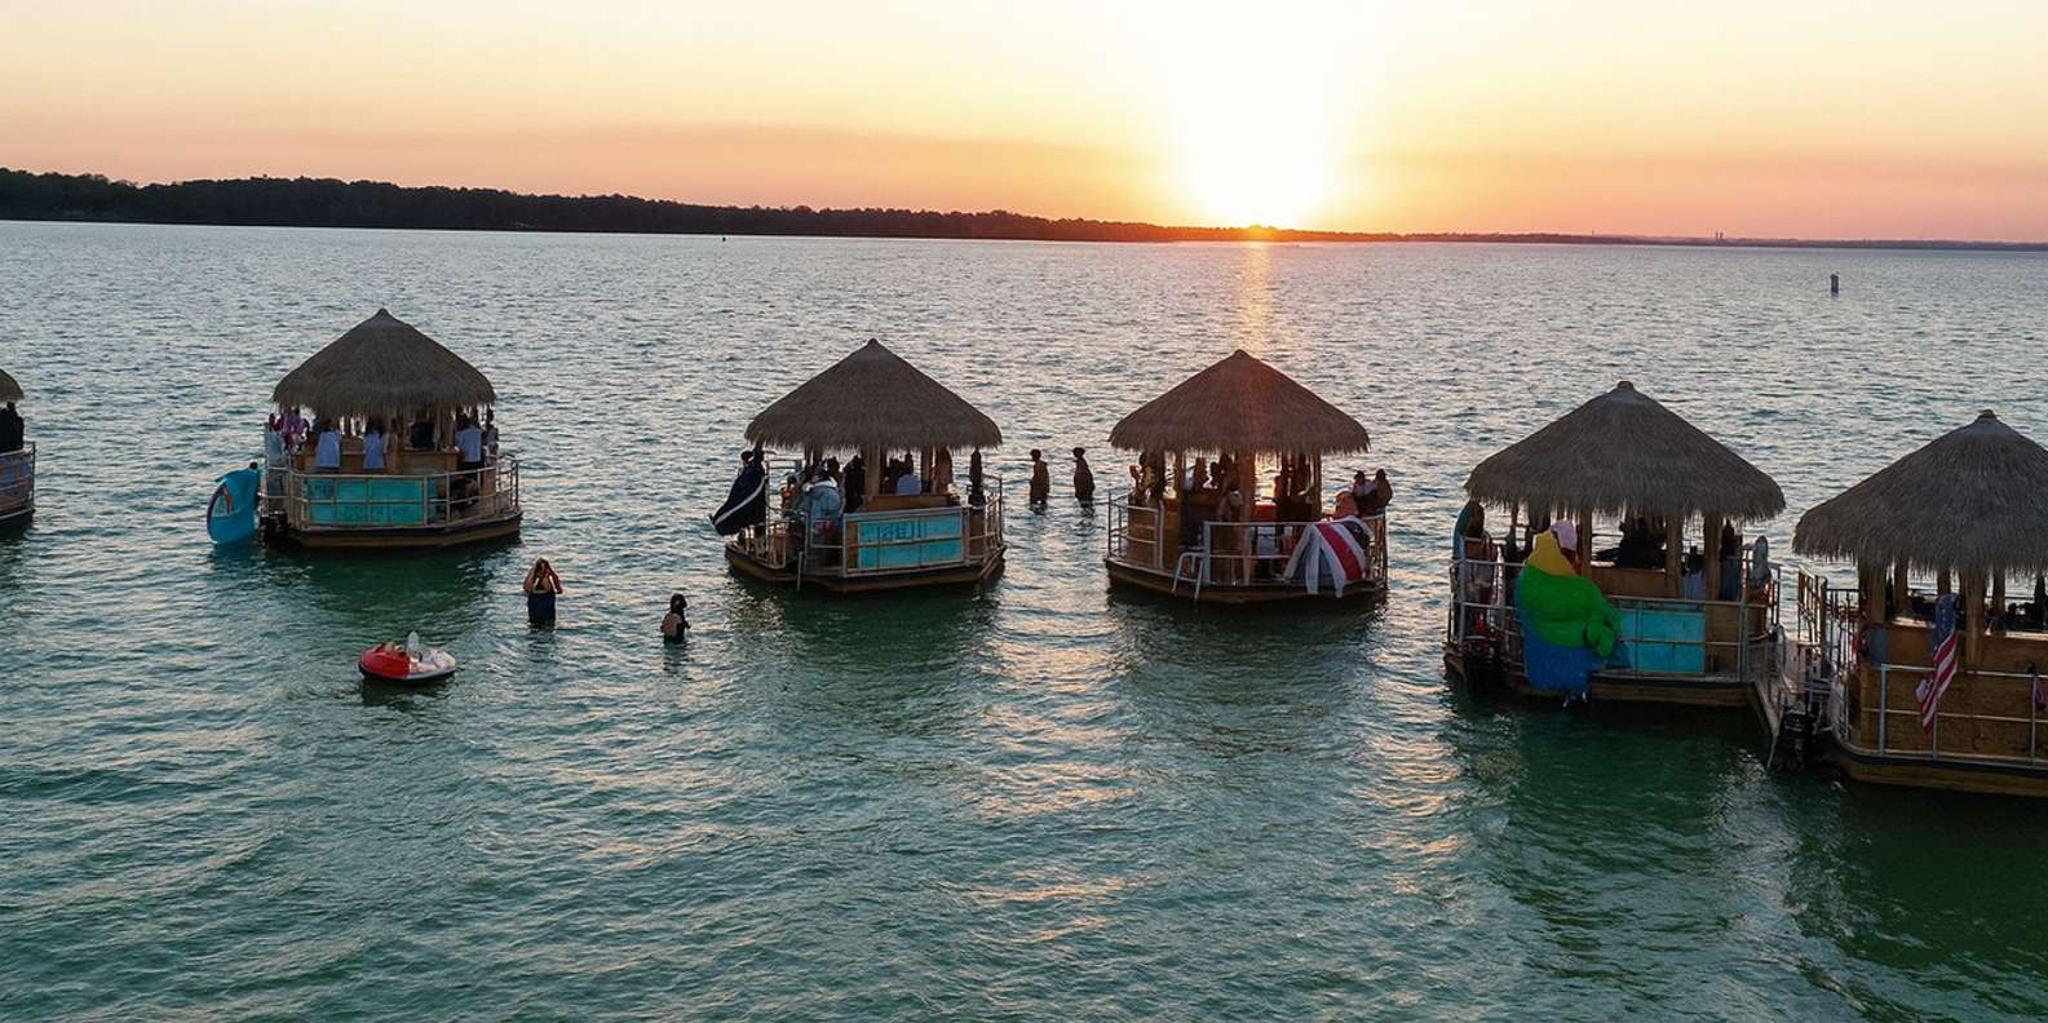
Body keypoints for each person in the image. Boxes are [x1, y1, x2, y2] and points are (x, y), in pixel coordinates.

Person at [523, 557, 563, 626]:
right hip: (537, 601)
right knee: (536, 623)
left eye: (545, 569)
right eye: (541, 569)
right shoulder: (533, 575)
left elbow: (555, 579)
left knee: (547, 622)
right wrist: (533, 570)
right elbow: (526, 588)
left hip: (545, 599)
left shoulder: (546, 577)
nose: (543, 571)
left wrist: (558, 588)